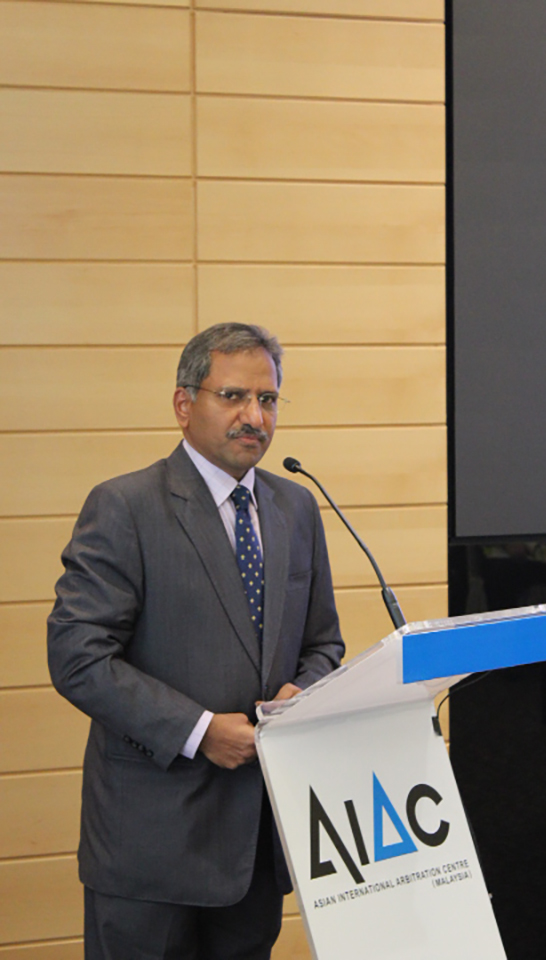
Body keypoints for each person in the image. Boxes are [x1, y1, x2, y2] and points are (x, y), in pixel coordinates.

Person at [47, 323, 344, 960]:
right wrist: (199, 730)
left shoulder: (296, 506)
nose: (254, 416)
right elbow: (78, 656)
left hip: (256, 843)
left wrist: (303, 692)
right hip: (150, 842)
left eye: (267, 400)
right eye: (233, 396)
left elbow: (324, 645)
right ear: (184, 404)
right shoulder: (125, 506)